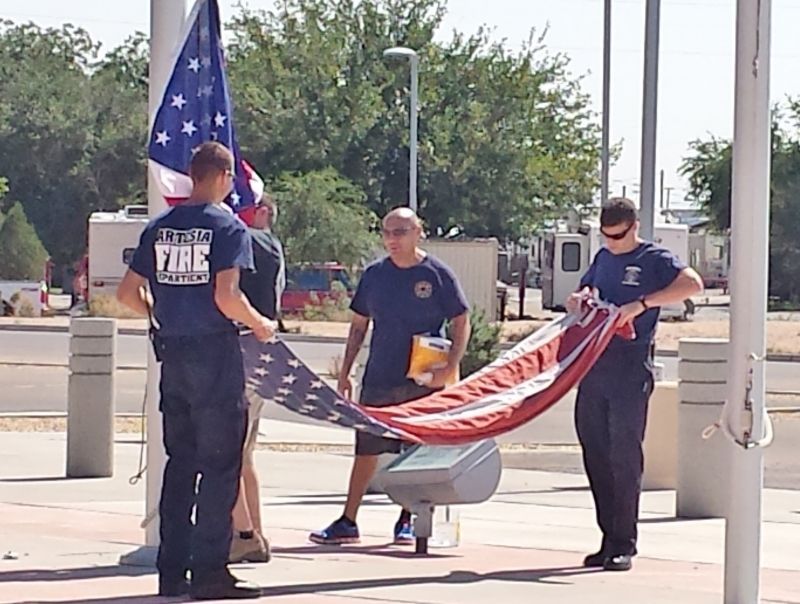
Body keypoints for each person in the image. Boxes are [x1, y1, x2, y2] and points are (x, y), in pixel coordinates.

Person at [116, 142, 276, 600]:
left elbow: (128, 294)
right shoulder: (227, 227)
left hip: (174, 356)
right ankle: (209, 572)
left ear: (193, 175)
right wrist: (260, 324)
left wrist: (161, 309)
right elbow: (228, 297)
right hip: (215, 356)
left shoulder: (160, 227)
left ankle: (171, 569)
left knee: (180, 464)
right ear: (224, 178)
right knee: (221, 466)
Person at [309, 206, 471, 545]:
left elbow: (461, 320)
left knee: (415, 451)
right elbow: (358, 325)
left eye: (401, 232)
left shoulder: (437, 274)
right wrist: (346, 371)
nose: (392, 239)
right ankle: (348, 520)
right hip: (380, 375)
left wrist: (450, 366)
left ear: (418, 232)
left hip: (421, 378)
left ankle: (407, 520)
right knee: (366, 449)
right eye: (387, 232)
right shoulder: (375, 275)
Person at [566, 197, 703, 572]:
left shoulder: (653, 259)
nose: (612, 243)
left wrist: (642, 304)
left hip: (630, 368)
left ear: (635, 226)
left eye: (618, 236)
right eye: (606, 236)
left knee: (624, 457)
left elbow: (692, 284)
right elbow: (588, 289)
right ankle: (607, 537)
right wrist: (581, 299)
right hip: (593, 367)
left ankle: (625, 542)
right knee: (595, 453)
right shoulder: (603, 258)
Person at [229, 195, 286, 564]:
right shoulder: (269, 247)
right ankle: (253, 533)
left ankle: (245, 534)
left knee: (229, 450)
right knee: (243, 452)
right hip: (259, 351)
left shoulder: (255, 241)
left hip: (242, 350)